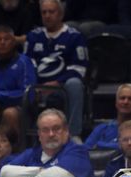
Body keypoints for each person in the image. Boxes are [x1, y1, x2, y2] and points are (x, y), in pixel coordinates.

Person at [25, 0, 89, 137]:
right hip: (37, 86)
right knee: (22, 84)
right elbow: (27, 64)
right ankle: (28, 135)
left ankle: (73, 134)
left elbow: (79, 69)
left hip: (62, 86)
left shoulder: (74, 37)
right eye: (44, 12)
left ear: (60, 14)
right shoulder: (33, 37)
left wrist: (57, 83)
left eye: (51, 12)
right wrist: (36, 85)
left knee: (75, 84)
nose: (47, 16)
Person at [0, 108, 92, 177]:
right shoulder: (31, 153)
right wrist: (41, 170)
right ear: (39, 135)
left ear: (66, 131)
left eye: (56, 129)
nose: (51, 134)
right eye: (45, 130)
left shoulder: (78, 151)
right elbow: (4, 173)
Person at [84, 84, 131, 150]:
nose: (126, 102)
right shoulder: (102, 129)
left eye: (130, 99)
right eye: (122, 98)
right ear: (116, 103)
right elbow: (83, 152)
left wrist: (99, 144)